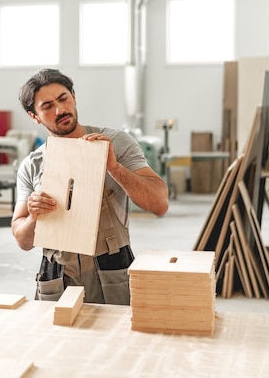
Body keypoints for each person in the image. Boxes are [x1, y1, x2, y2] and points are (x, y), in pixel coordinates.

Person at [11, 68, 169, 305]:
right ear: (34, 116)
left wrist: (115, 168)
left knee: (118, 339)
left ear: (74, 96)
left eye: (63, 99)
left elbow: (159, 204)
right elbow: (23, 241)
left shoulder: (115, 142)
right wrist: (34, 217)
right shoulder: (32, 165)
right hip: (56, 276)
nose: (60, 110)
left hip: (112, 268)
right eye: (47, 106)